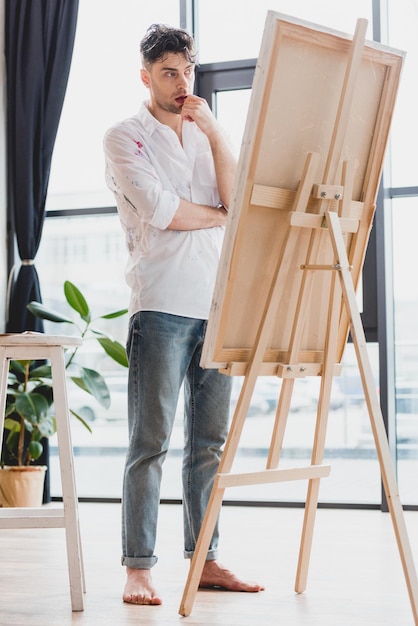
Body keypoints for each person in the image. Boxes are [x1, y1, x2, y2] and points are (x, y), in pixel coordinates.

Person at [103, 23, 264, 606]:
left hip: (215, 306)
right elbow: (162, 210)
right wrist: (220, 214)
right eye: (169, 72)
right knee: (150, 443)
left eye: (187, 70)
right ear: (146, 76)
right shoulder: (124, 137)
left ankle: (207, 558)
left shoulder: (204, 133)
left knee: (208, 446)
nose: (180, 82)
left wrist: (215, 128)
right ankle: (138, 568)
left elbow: (240, 195)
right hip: (161, 306)